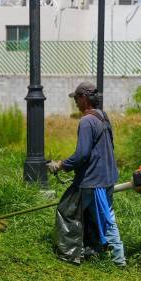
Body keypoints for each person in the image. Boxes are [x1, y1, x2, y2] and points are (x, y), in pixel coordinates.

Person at [47, 82, 123, 266]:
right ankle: (107, 255)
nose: (75, 103)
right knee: (101, 215)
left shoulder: (87, 121)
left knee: (67, 211)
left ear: (83, 98)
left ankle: (71, 254)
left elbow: (82, 154)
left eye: (76, 99)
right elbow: (108, 147)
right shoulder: (103, 117)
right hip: (108, 178)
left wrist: (61, 165)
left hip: (92, 182)